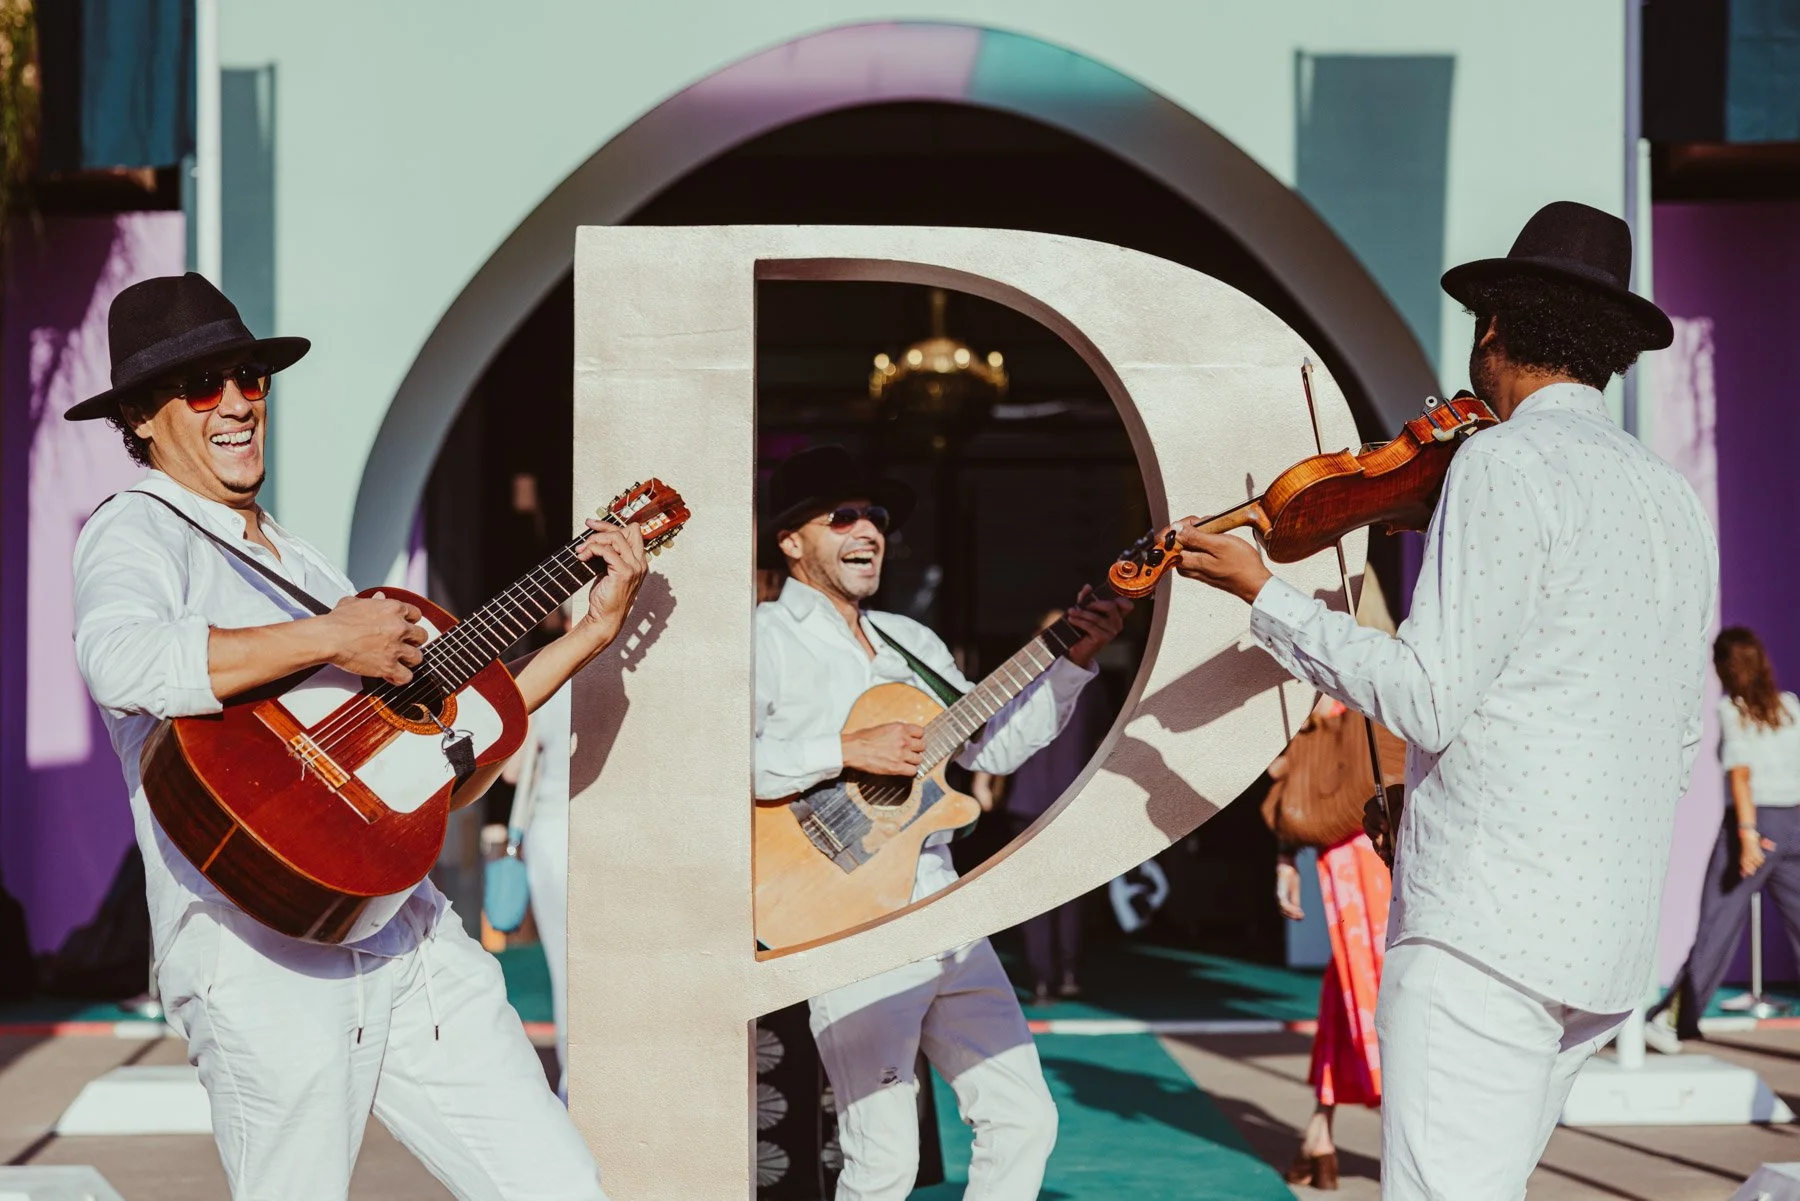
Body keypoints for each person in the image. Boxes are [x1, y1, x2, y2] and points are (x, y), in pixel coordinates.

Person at [1174, 202, 1718, 1199]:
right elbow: (1681, 730)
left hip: (1487, 931)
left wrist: (1265, 595)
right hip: (1603, 945)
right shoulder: (1670, 496)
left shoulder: (1504, 462)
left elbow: (1424, 697)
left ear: (1497, 332)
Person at [69, 273, 647, 1199]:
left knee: (559, 1186)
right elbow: (121, 659)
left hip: (401, 927)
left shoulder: (296, 560)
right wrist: (335, 634)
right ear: (140, 416)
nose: (237, 402)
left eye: (249, 376)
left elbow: (443, 752)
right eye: (203, 385)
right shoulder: (137, 531)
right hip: (257, 947)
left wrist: (586, 633)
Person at [753, 445, 1128, 1201]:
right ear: (792, 541)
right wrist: (842, 749)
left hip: (944, 902)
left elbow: (995, 742)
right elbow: (713, 765)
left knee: (1023, 1118)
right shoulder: (760, 638)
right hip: (847, 916)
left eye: (878, 518)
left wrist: (1073, 660)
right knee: (883, 1158)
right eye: (845, 516)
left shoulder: (909, 641)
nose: (869, 530)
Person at [1269, 697, 1401, 1192]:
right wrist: (1285, 861)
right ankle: (1410, 1137)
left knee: (1350, 992)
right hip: (1366, 857)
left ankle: (1318, 1137)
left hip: (1357, 859)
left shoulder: (1350, 703)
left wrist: (1285, 861)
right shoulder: (1357, 703)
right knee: (1373, 991)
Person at [1651, 628, 1800, 1044]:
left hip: (1752, 828)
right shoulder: (1790, 707)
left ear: (1724, 668)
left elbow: (1740, 775)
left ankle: (1672, 1018)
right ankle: (1676, 1018)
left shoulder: (1732, 711)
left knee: (1717, 924)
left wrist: (1749, 836)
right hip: (1794, 826)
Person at [1001, 610, 1110, 1006]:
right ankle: (1061, 974)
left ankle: (1048, 978)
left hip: (1037, 800)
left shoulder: (1020, 683)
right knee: (1064, 895)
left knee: (1042, 895)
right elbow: (1103, 740)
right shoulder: (1087, 683)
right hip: (1065, 798)